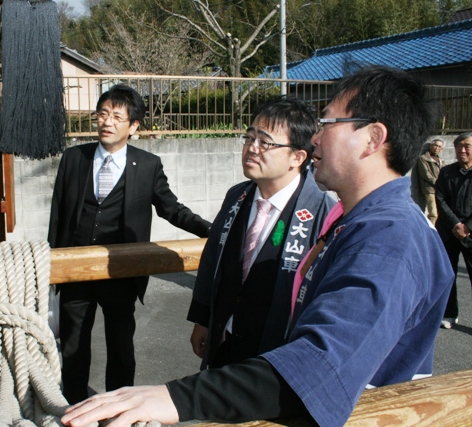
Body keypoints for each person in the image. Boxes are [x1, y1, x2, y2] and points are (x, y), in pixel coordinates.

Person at [60, 66, 453, 427]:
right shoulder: (355, 219)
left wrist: (171, 397)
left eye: (328, 122)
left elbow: (317, 370)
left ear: (373, 138)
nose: (316, 136)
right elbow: (216, 257)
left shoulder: (389, 238)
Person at [48, 84, 211, 405]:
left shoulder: (147, 165)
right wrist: (52, 264)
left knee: (121, 345)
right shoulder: (73, 158)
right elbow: (58, 214)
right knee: (72, 345)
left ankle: (117, 408)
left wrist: (213, 230)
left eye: (117, 116)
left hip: (122, 271)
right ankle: (73, 406)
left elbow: (172, 209)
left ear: (133, 126)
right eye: (103, 114)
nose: (107, 122)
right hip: (75, 270)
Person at [188, 96, 335, 370]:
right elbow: (212, 260)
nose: (252, 148)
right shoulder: (237, 196)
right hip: (224, 337)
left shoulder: (322, 213)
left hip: (277, 352)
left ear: (297, 157)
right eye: (249, 137)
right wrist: (202, 319)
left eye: (265, 142)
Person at [435, 132, 472, 329]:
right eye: (458, 147)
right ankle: (450, 314)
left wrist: (468, 227)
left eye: (466, 146)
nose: (462, 150)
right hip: (449, 232)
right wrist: (456, 225)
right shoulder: (447, 172)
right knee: (448, 274)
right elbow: (439, 199)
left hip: (470, 234)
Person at [417, 138, 445, 224]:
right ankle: (430, 233)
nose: (437, 148)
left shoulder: (441, 160)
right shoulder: (423, 158)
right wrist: (439, 183)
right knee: (433, 214)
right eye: (435, 145)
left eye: (439, 146)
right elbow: (426, 175)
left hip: (440, 189)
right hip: (430, 189)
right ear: (431, 146)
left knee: (440, 213)